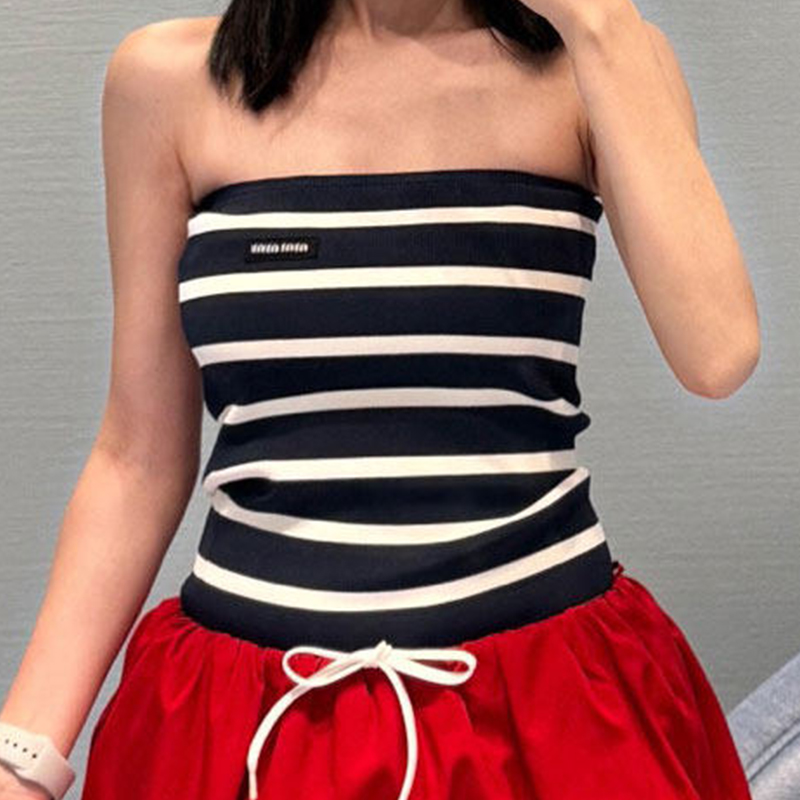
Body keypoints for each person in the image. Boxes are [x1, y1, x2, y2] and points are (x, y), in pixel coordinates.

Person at [0, 0, 761, 798]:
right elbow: (138, 458)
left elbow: (718, 355)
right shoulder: (169, 82)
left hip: (548, 717)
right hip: (244, 725)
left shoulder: (597, 59)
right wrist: (23, 761)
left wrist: (600, 23)